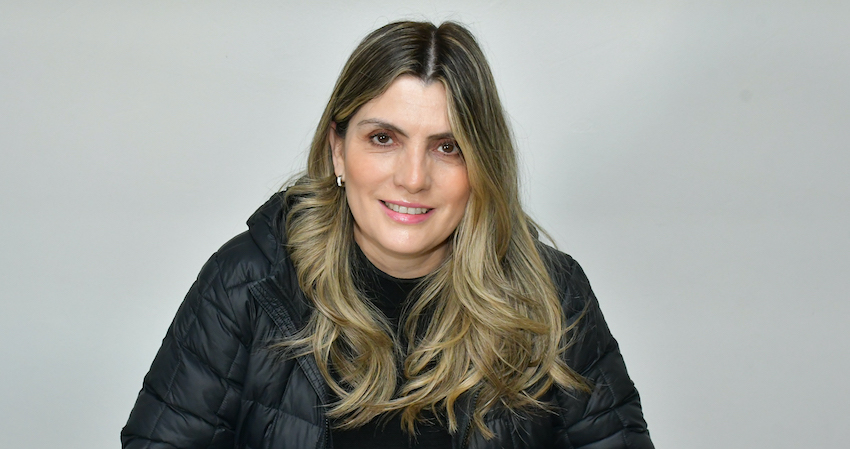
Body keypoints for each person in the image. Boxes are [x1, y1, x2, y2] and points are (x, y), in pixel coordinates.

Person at [122, 21, 654, 449]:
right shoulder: (247, 282)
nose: (413, 178)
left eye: (448, 147)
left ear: (483, 166)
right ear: (337, 150)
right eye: (383, 139)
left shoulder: (553, 295)